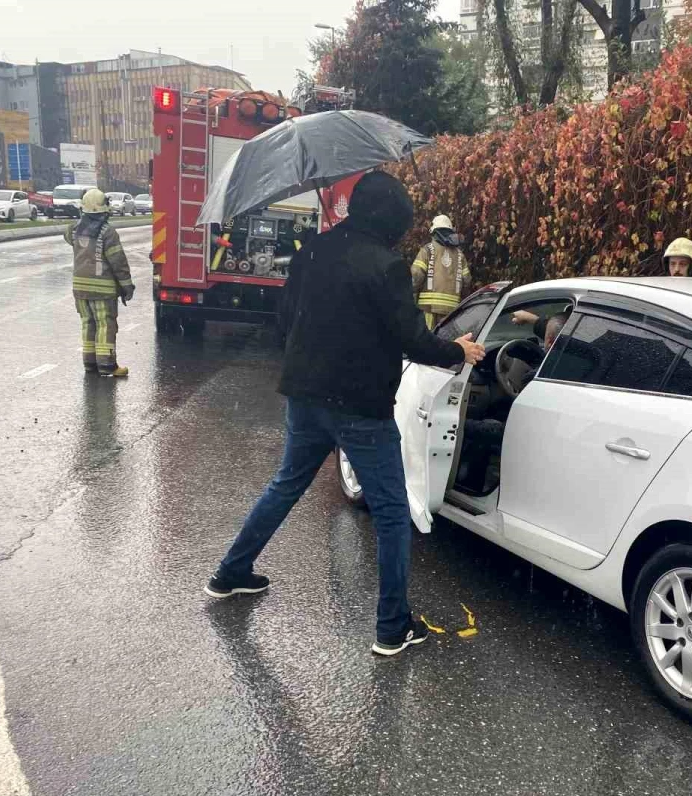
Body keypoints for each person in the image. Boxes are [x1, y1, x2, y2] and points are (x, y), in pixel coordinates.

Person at [205, 171, 486, 658]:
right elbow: (412, 340)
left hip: (304, 395)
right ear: (391, 218)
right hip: (360, 407)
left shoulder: (313, 249)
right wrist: (458, 351)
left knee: (286, 484)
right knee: (393, 511)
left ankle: (230, 574)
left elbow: (285, 319)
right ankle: (392, 627)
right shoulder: (386, 266)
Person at [459, 311, 569, 489]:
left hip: (536, 440)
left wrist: (458, 424)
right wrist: (533, 319)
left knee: (483, 434)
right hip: (560, 433)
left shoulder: (539, 379)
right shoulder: (580, 357)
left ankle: (472, 486)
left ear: (549, 341)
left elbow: (510, 430)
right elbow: (558, 334)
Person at [65, 188, 135, 377]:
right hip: (102, 289)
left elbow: (69, 238)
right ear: (105, 210)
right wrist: (127, 285)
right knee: (105, 324)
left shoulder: (73, 229)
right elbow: (117, 261)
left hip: (79, 288)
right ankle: (107, 365)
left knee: (88, 323)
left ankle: (90, 364)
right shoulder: (108, 232)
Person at [411, 214, 471, 328]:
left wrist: (411, 302)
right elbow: (467, 282)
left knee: (427, 342)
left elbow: (415, 277)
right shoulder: (459, 255)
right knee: (446, 343)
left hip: (428, 309)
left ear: (433, 232)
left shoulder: (427, 250)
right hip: (451, 312)